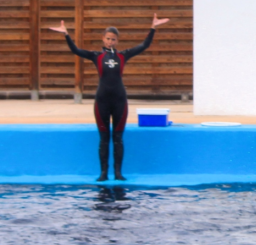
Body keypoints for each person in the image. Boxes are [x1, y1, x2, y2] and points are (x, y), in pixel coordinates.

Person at [49, 15, 169, 181]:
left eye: (113, 40)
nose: (110, 42)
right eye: (108, 39)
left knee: (118, 138)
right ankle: (104, 173)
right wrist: (66, 34)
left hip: (120, 101)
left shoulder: (123, 56)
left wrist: (153, 28)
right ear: (103, 39)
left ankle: (118, 173)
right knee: (104, 139)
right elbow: (76, 50)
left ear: (117, 41)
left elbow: (144, 45)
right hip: (102, 102)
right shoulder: (96, 56)